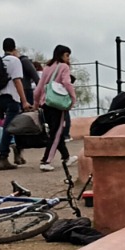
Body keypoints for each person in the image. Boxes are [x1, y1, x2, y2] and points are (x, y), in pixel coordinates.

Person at [0, 37, 35, 171]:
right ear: (14, 48)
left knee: (9, 126)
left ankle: (14, 154)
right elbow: (17, 81)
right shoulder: (15, 61)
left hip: (0, 98)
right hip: (13, 98)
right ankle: (3, 156)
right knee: (10, 128)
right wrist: (24, 100)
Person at [36, 44, 76, 172]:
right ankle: (46, 160)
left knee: (54, 131)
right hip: (57, 103)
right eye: (67, 55)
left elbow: (39, 86)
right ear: (61, 55)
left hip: (46, 102)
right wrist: (72, 98)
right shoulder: (63, 67)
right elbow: (66, 82)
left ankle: (66, 157)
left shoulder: (47, 67)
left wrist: (36, 101)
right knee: (56, 132)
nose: (68, 58)